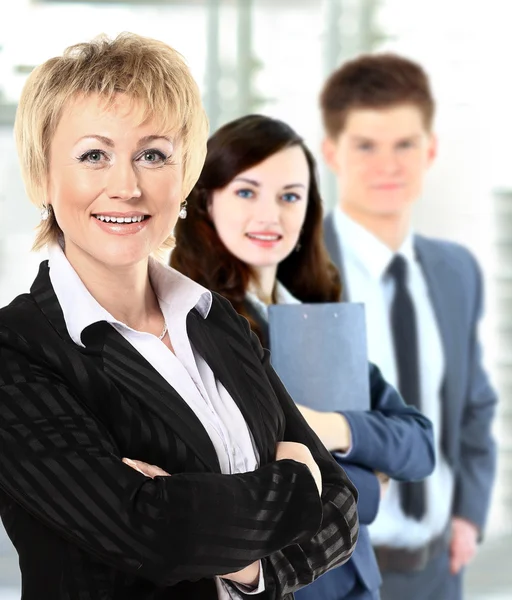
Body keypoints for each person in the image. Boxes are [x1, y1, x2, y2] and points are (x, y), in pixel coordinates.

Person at [0, 33, 360, 599]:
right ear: (43, 176)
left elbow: (341, 506)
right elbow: (151, 535)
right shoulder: (16, 351)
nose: (127, 185)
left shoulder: (214, 319)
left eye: (153, 154)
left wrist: (247, 567)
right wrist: (295, 484)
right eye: (94, 155)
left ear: (185, 173)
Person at [171, 113, 435, 600]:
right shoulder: (192, 326)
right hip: (287, 587)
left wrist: (330, 426)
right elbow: (238, 488)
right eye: (246, 192)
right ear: (207, 200)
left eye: (290, 196)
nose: (270, 215)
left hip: (356, 584)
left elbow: (419, 443)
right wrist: (372, 486)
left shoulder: (316, 322)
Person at [320, 53, 498, 600]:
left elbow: (471, 404)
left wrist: (468, 515)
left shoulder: (456, 271)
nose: (388, 165)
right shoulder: (298, 271)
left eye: (405, 145)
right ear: (332, 153)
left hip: (439, 567)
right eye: (365, 146)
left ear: (431, 150)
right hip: (337, 570)